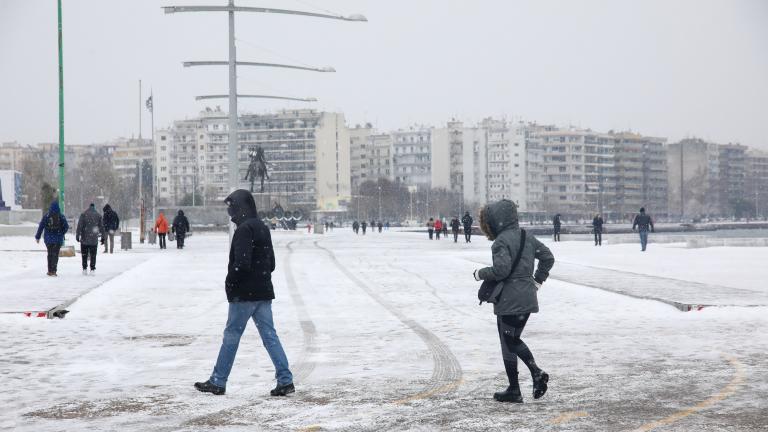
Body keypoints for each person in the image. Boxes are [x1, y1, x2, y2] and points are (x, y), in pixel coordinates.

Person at [195, 189, 294, 397]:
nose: (230, 212)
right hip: (263, 293)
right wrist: (260, 277)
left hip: (244, 295)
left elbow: (241, 264)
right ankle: (285, 380)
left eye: (231, 207)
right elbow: (272, 263)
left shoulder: (243, 230)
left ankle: (218, 380)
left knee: (231, 336)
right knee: (270, 337)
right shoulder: (262, 228)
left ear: (240, 207)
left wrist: (230, 284)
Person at [473, 199, 555, 403]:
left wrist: (479, 273)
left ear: (496, 220)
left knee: (509, 340)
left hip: (510, 299)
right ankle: (514, 389)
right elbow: (548, 257)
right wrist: (537, 281)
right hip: (526, 297)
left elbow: (502, 270)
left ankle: (535, 373)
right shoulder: (527, 236)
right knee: (508, 340)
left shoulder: (500, 241)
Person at [34, 201, 69, 276]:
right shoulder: (61, 216)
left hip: (48, 239)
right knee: (55, 255)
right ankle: (54, 271)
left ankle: (49, 270)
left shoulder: (46, 216)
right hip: (58, 239)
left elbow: (41, 227)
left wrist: (38, 237)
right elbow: (66, 227)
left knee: (49, 254)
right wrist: (61, 233)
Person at [76, 203, 105, 276]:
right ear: (94, 207)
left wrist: (78, 235)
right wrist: (103, 237)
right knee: (93, 255)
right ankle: (92, 269)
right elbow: (101, 227)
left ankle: (84, 268)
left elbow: (80, 225)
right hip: (94, 239)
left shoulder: (84, 214)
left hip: (84, 238)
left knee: (84, 254)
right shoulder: (98, 215)